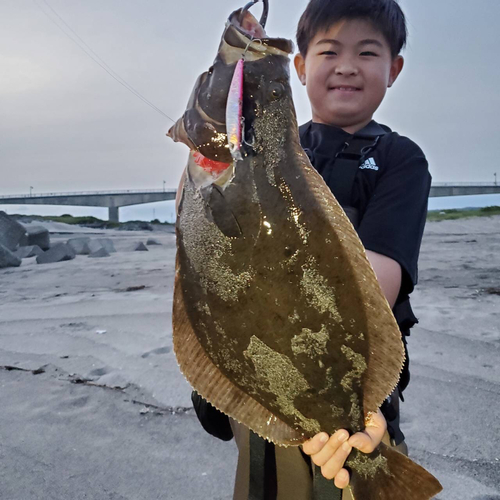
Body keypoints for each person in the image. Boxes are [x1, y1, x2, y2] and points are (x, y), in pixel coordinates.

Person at [187, 0, 431, 498]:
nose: (346, 66)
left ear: (394, 69)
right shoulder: (268, 150)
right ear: (299, 67)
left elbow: (381, 284)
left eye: (367, 52)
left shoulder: (399, 159)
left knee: (352, 476)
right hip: (260, 382)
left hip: (350, 391)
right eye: (328, 51)